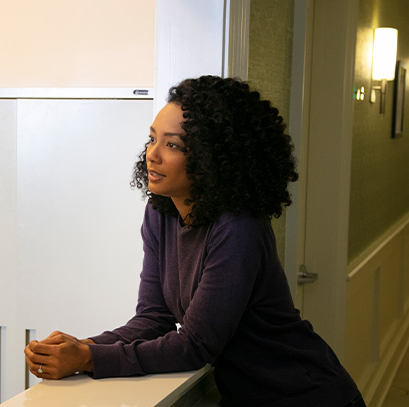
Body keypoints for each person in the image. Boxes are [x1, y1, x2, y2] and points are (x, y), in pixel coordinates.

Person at [24, 75, 365, 407]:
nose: (152, 155)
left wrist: (86, 358)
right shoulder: (162, 213)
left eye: (172, 145)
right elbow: (153, 318)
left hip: (308, 395)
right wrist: (80, 346)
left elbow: (196, 345)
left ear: (211, 157)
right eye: (152, 138)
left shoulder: (238, 228)